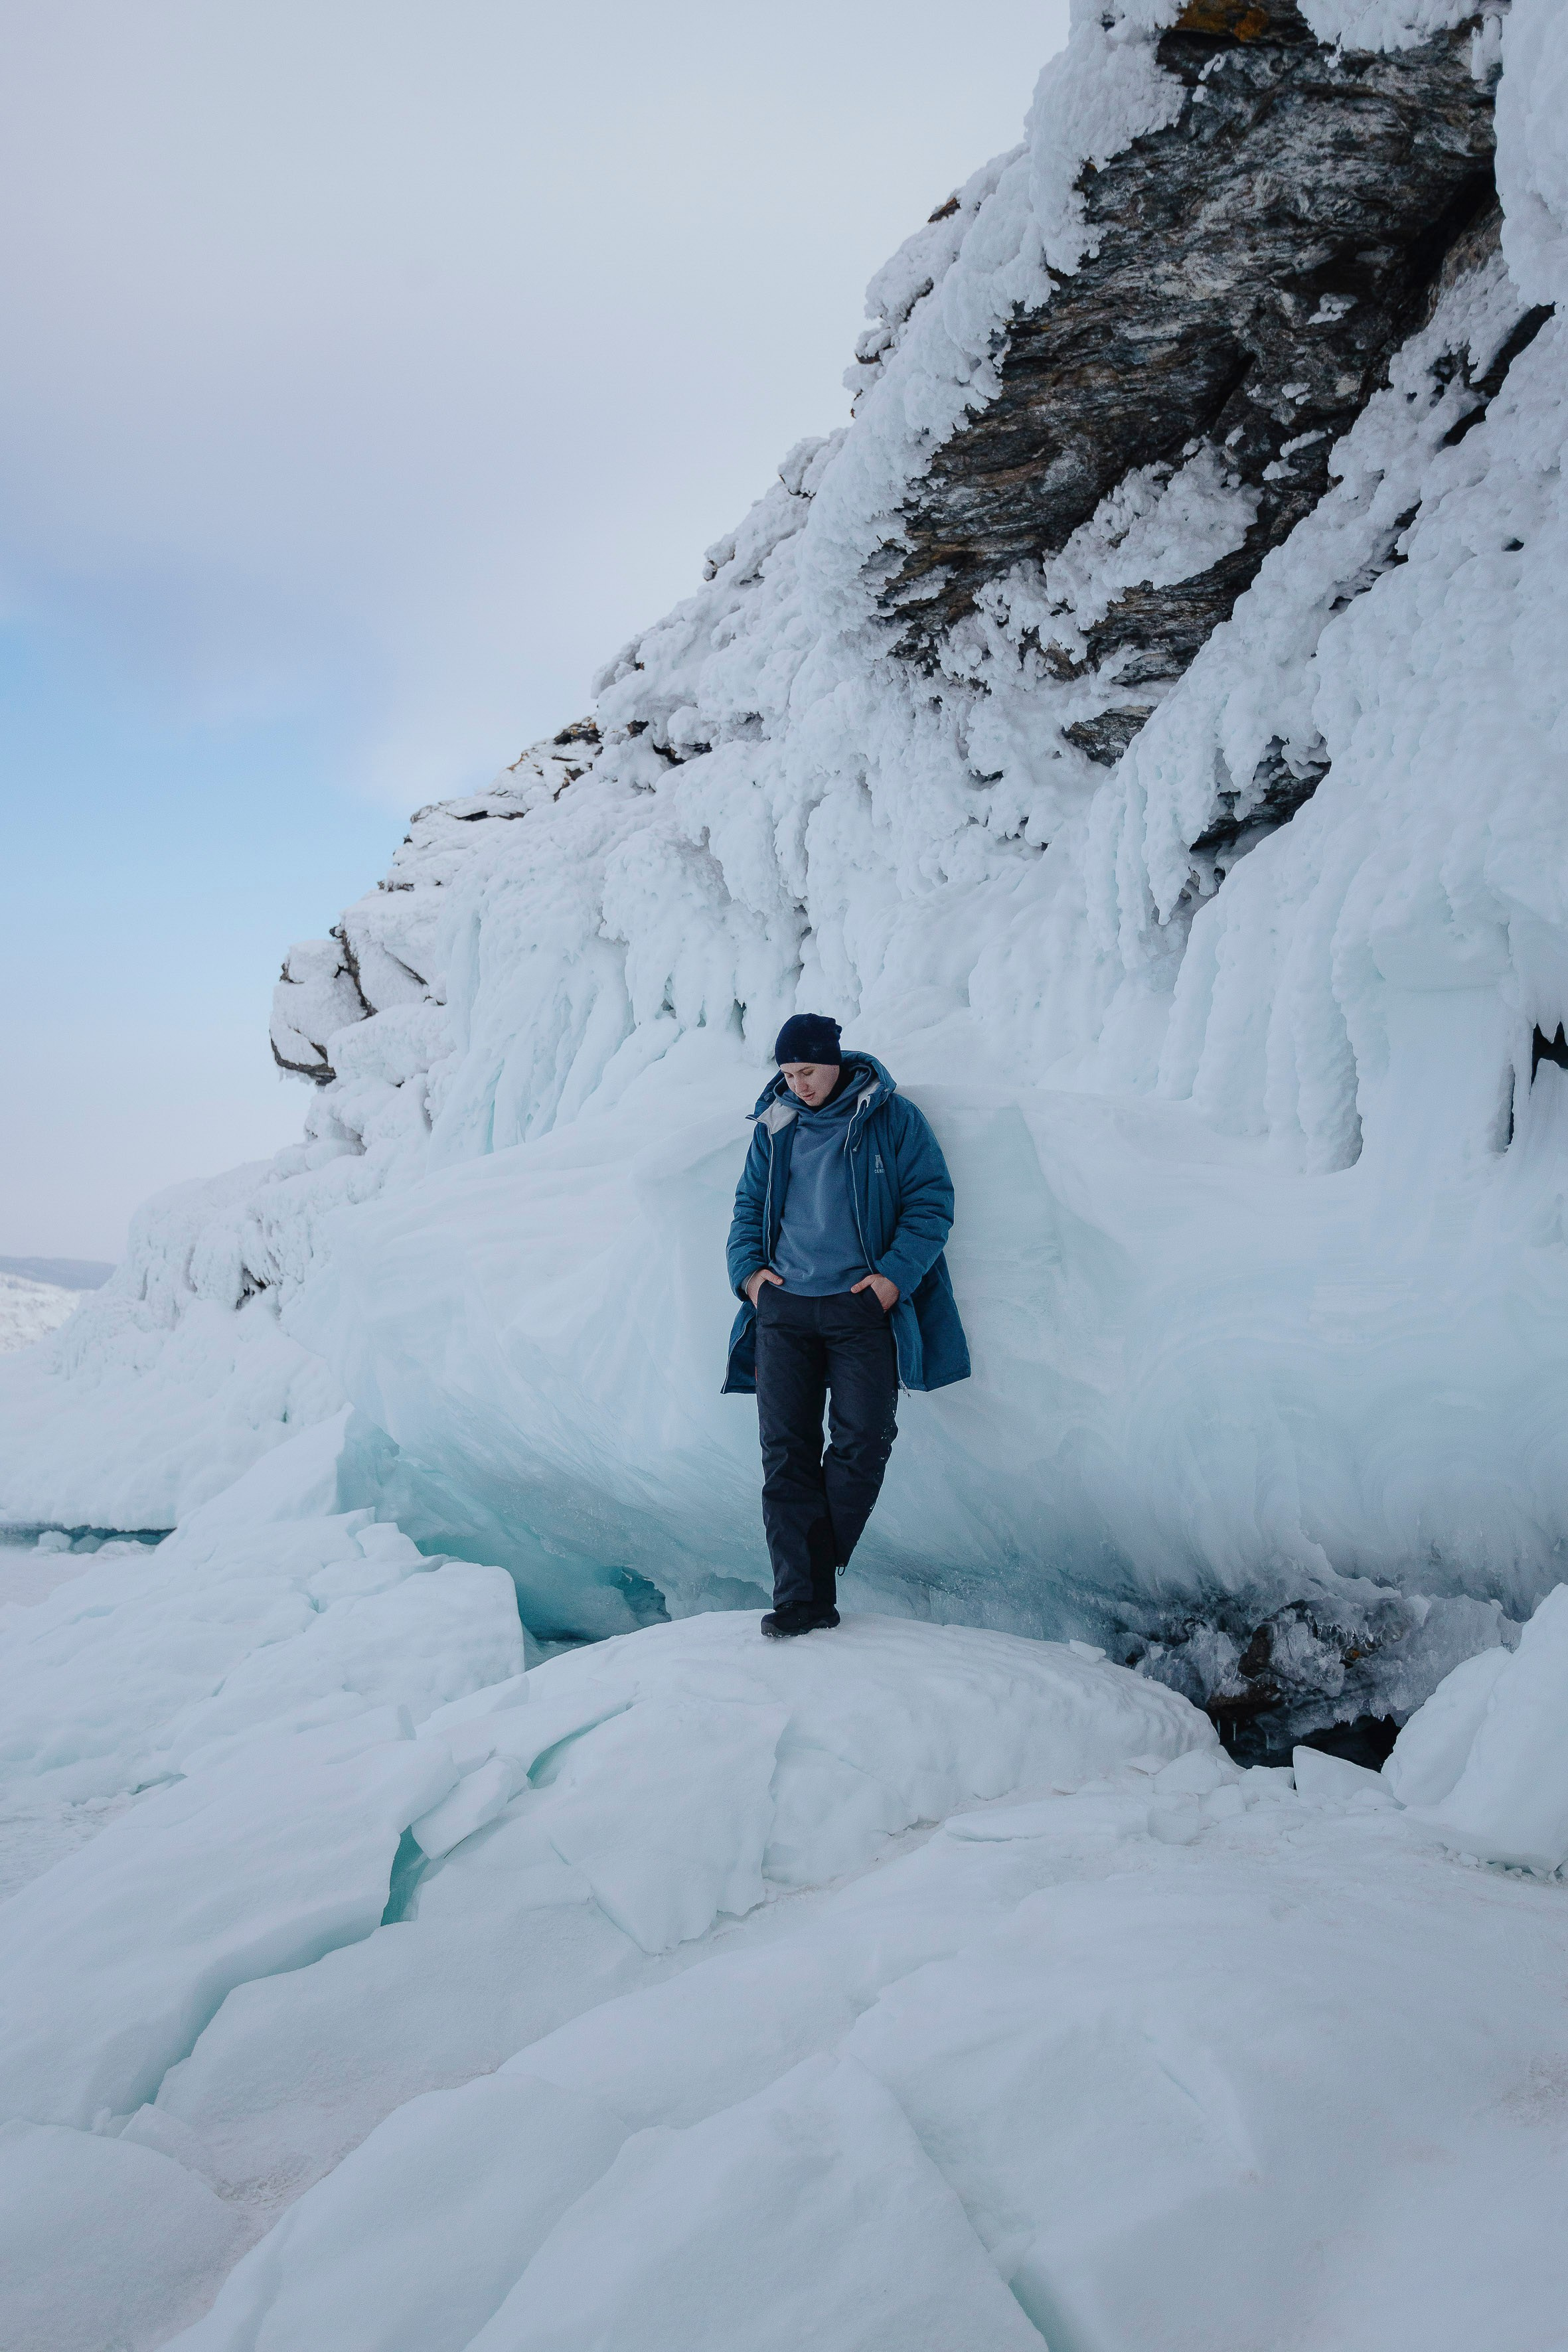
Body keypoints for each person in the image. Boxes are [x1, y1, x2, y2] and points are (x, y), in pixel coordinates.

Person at [723, 1013, 970, 1637]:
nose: (797, 1084)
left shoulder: (892, 1117)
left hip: (860, 1306)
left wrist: (892, 1279)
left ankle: (812, 1562)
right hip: (783, 1309)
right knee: (786, 1453)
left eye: (806, 1071)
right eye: (786, 1073)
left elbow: (931, 1201)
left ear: (833, 1060)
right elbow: (748, 1204)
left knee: (865, 1441)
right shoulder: (775, 1124)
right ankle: (801, 1600)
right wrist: (750, 1276)